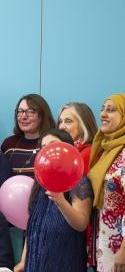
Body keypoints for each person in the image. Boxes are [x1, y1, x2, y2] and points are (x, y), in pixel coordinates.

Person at [15, 129, 93, 272]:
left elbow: (81, 223)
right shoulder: (39, 183)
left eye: (53, 145)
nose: (48, 151)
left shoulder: (79, 180)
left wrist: (60, 200)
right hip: (36, 261)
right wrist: (23, 260)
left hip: (65, 258)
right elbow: (32, 227)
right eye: (43, 148)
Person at [87, 93, 125, 272]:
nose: (103, 114)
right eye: (102, 109)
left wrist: (124, 250)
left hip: (120, 245)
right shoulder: (104, 149)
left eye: (111, 110)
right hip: (104, 242)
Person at [1, 94, 55, 177]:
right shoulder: (8, 144)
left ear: (42, 115)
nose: (23, 116)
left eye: (30, 112)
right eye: (20, 111)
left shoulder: (51, 144)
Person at [57, 102, 97, 174]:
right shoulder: (65, 151)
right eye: (60, 122)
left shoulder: (87, 153)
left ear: (83, 125)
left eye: (68, 121)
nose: (61, 127)